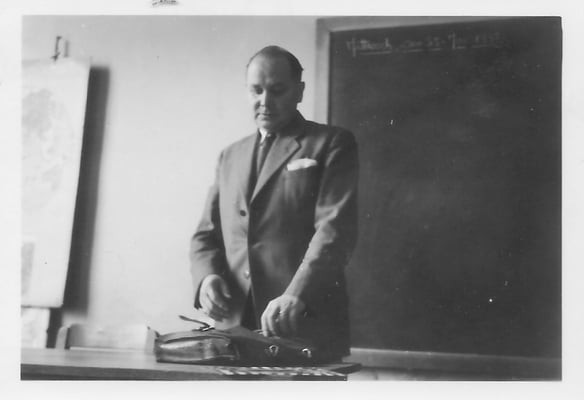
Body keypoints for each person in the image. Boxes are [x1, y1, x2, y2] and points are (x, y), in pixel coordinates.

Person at [190, 45, 358, 358]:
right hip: (232, 328)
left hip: (301, 322)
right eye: (256, 90)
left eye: (277, 90)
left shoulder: (331, 143)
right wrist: (207, 278)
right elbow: (205, 235)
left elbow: (334, 230)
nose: (265, 102)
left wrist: (297, 294)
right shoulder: (230, 156)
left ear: (299, 91)